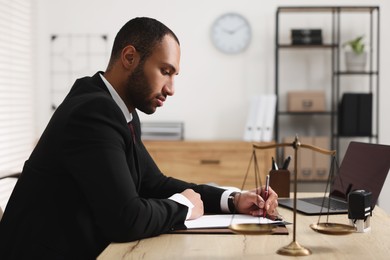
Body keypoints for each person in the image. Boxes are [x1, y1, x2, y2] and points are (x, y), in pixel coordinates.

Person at [0, 17, 278, 259]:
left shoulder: (121, 110)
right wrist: (183, 207)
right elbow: (125, 219)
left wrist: (233, 199)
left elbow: (152, 183)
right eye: (165, 71)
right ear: (130, 57)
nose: (171, 89)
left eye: (174, 75)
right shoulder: (93, 111)